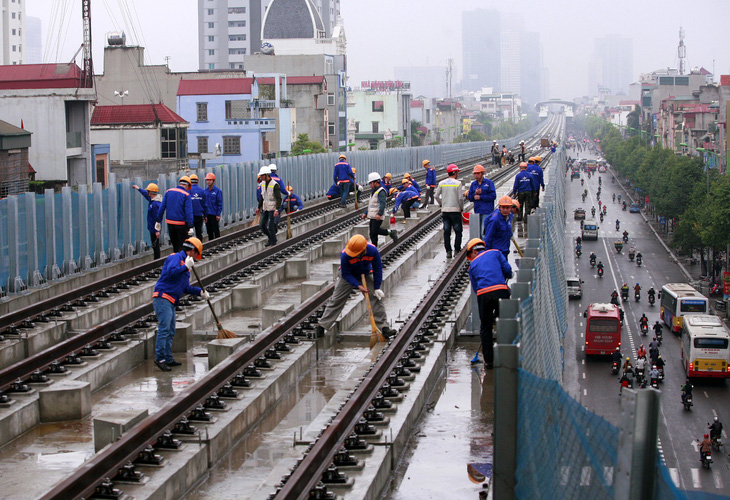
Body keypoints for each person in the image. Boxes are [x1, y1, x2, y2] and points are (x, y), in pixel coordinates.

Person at [315, 235, 396, 338]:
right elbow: (346, 274)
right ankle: (322, 326)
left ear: (363, 250)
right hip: (347, 275)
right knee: (336, 299)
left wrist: (377, 287)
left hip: (365, 273)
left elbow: (378, 269)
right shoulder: (345, 254)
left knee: (375, 298)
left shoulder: (372, 251)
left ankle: (384, 328)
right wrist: (358, 285)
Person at [152, 237, 208, 371]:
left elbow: (185, 287)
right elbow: (171, 273)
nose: (195, 258)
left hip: (170, 301)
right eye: (196, 254)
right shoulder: (176, 258)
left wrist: (200, 292)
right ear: (192, 251)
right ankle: (160, 358)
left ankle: (168, 358)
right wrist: (185, 267)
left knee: (170, 330)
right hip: (162, 298)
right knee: (164, 329)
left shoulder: (186, 265)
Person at [466, 238, 512, 368]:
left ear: (474, 251)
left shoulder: (472, 266)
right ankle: (507, 355)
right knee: (504, 322)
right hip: (500, 291)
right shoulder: (496, 253)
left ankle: (489, 361)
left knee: (485, 328)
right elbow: (507, 270)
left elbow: (476, 289)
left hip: (483, 295)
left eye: (471, 255)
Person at [156, 176, 194, 253]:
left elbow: (162, 207)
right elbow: (188, 211)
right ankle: (181, 262)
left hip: (170, 223)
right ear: (187, 185)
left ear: (180, 183)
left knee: (175, 245)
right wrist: (190, 225)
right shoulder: (186, 195)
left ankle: (176, 261)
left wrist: (158, 220)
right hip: (181, 224)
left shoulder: (168, 192)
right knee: (182, 246)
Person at [435, 164, 464, 259]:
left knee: (447, 231)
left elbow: (436, 196)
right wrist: (461, 207)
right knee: (458, 231)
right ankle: (457, 250)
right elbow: (460, 198)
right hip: (455, 211)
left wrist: (442, 204)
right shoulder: (458, 183)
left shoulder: (441, 183)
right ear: (455, 173)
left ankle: (448, 251)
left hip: (445, 211)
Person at [363, 172, 398, 247]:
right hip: (372, 215)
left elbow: (382, 203)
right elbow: (371, 204)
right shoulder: (373, 192)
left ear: (376, 182)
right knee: (372, 233)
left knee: (375, 231)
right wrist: (366, 213)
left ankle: (391, 232)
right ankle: (374, 247)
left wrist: (379, 213)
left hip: (377, 215)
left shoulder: (381, 191)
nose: (370, 185)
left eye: (371, 183)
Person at [132, 182, 162, 259]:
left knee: (156, 247)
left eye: (148, 191)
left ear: (151, 192)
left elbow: (157, 218)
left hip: (154, 229)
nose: (147, 192)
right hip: (153, 228)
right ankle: (156, 262)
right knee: (155, 246)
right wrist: (138, 189)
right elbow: (145, 194)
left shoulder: (155, 204)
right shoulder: (153, 200)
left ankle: (157, 263)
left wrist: (157, 230)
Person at [467, 164, 497, 235]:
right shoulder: (473, 184)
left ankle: (485, 245)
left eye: (478, 173)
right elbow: (469, 196)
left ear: (482, 173)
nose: (476, 175)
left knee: (484, 232)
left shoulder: (489, 183)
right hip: (477, 211)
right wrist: (474, 196)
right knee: (477, 233)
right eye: (475, 173)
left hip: (486, 211)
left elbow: (493, 196)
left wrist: (481, 196)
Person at [256, 166, 282, 247]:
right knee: (262, 225)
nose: (261, 177)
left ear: (267, 175)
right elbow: (262, 197)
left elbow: (279, 198)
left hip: (272, 207)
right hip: (265, 207)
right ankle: (271, 238)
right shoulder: (262, 184)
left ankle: (273, 242)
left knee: (271, 226)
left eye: (262, 175)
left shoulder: (275, 185)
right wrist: (258, 207)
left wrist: (277, 209)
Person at [204, 173, 223, 240]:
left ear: (213, 181)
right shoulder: (205, 191)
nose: (208, 181)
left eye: (210, 180)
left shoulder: (217, 191)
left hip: (214, 214)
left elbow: (219, 203)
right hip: (207, 214)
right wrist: (205, 215)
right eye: (207, 180)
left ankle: (218, 243)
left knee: (216, 231)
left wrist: (218, 214)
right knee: (209, 232)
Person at [188, 174, 207, 240]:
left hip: (190, 216)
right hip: (199, 215)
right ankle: (199, 246)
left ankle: (190, 248)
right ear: (197, 181)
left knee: (189, 233)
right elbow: (204, 204)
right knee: (199, 232)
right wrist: (205, 215)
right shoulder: (202, 191)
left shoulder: (188, 191)